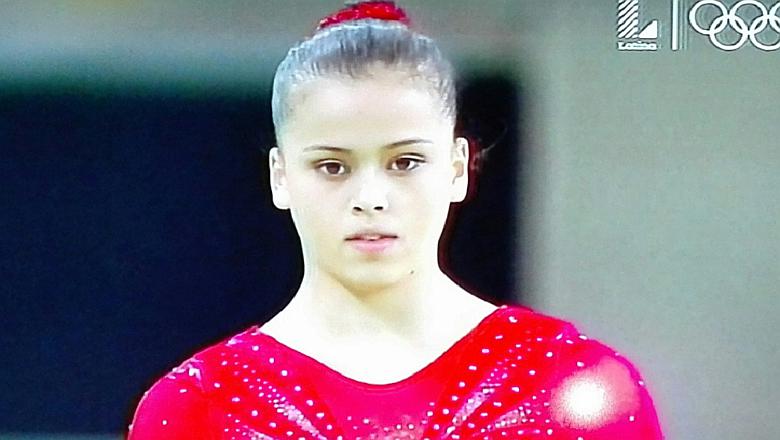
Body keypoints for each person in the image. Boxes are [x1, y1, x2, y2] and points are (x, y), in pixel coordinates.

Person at [126, 1, 664, 438]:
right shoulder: (201, 409)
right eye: (332, 166)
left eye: (404, 162)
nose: (370, 198)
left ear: (456, 169)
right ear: (280, 177)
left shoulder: (573, 392)